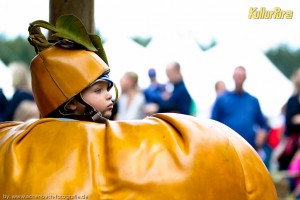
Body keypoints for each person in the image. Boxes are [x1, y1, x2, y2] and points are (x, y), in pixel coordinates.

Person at [211, 66, 269, 150]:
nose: (239, 78)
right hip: (226, 147)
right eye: (237, 75)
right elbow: (212, 123)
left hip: (248, 148)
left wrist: (262, 134)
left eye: (241, 76)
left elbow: (263, 125)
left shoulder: (253, 101)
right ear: (233, 77)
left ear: (245, 78)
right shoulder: (222, 99)